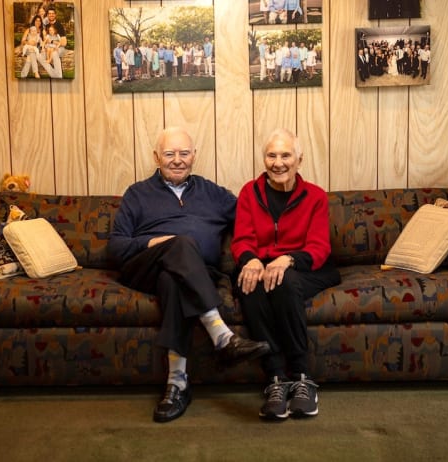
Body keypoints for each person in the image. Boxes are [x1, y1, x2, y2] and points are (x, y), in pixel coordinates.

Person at [107, 127, 271, 423]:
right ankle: (221, 336)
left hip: (195, 274)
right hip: (144, 268)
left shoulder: (214, 193)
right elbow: (116, 246)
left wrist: (260, 257)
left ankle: (177, 383)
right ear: (156, 157)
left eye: (184, 153)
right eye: (170, 154)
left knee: (175, 280)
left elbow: (250, 224)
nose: (177, 160)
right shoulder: (138, 194)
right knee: (181, 243)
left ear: (194, 156)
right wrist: (154, 242)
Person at [231, 128, 340, 421]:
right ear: (264, 159)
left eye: (286, 155)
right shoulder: (249, 193)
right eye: (271, 155)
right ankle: (276, 380)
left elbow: (319, 246)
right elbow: (241, 238)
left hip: (306, 268)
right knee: (249, 283)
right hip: (262, 265)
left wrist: (288, 259)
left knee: (284, 280)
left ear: (299, 159)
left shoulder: (315, 196)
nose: (278, 162)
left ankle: (302, 378)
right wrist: (251, 259)